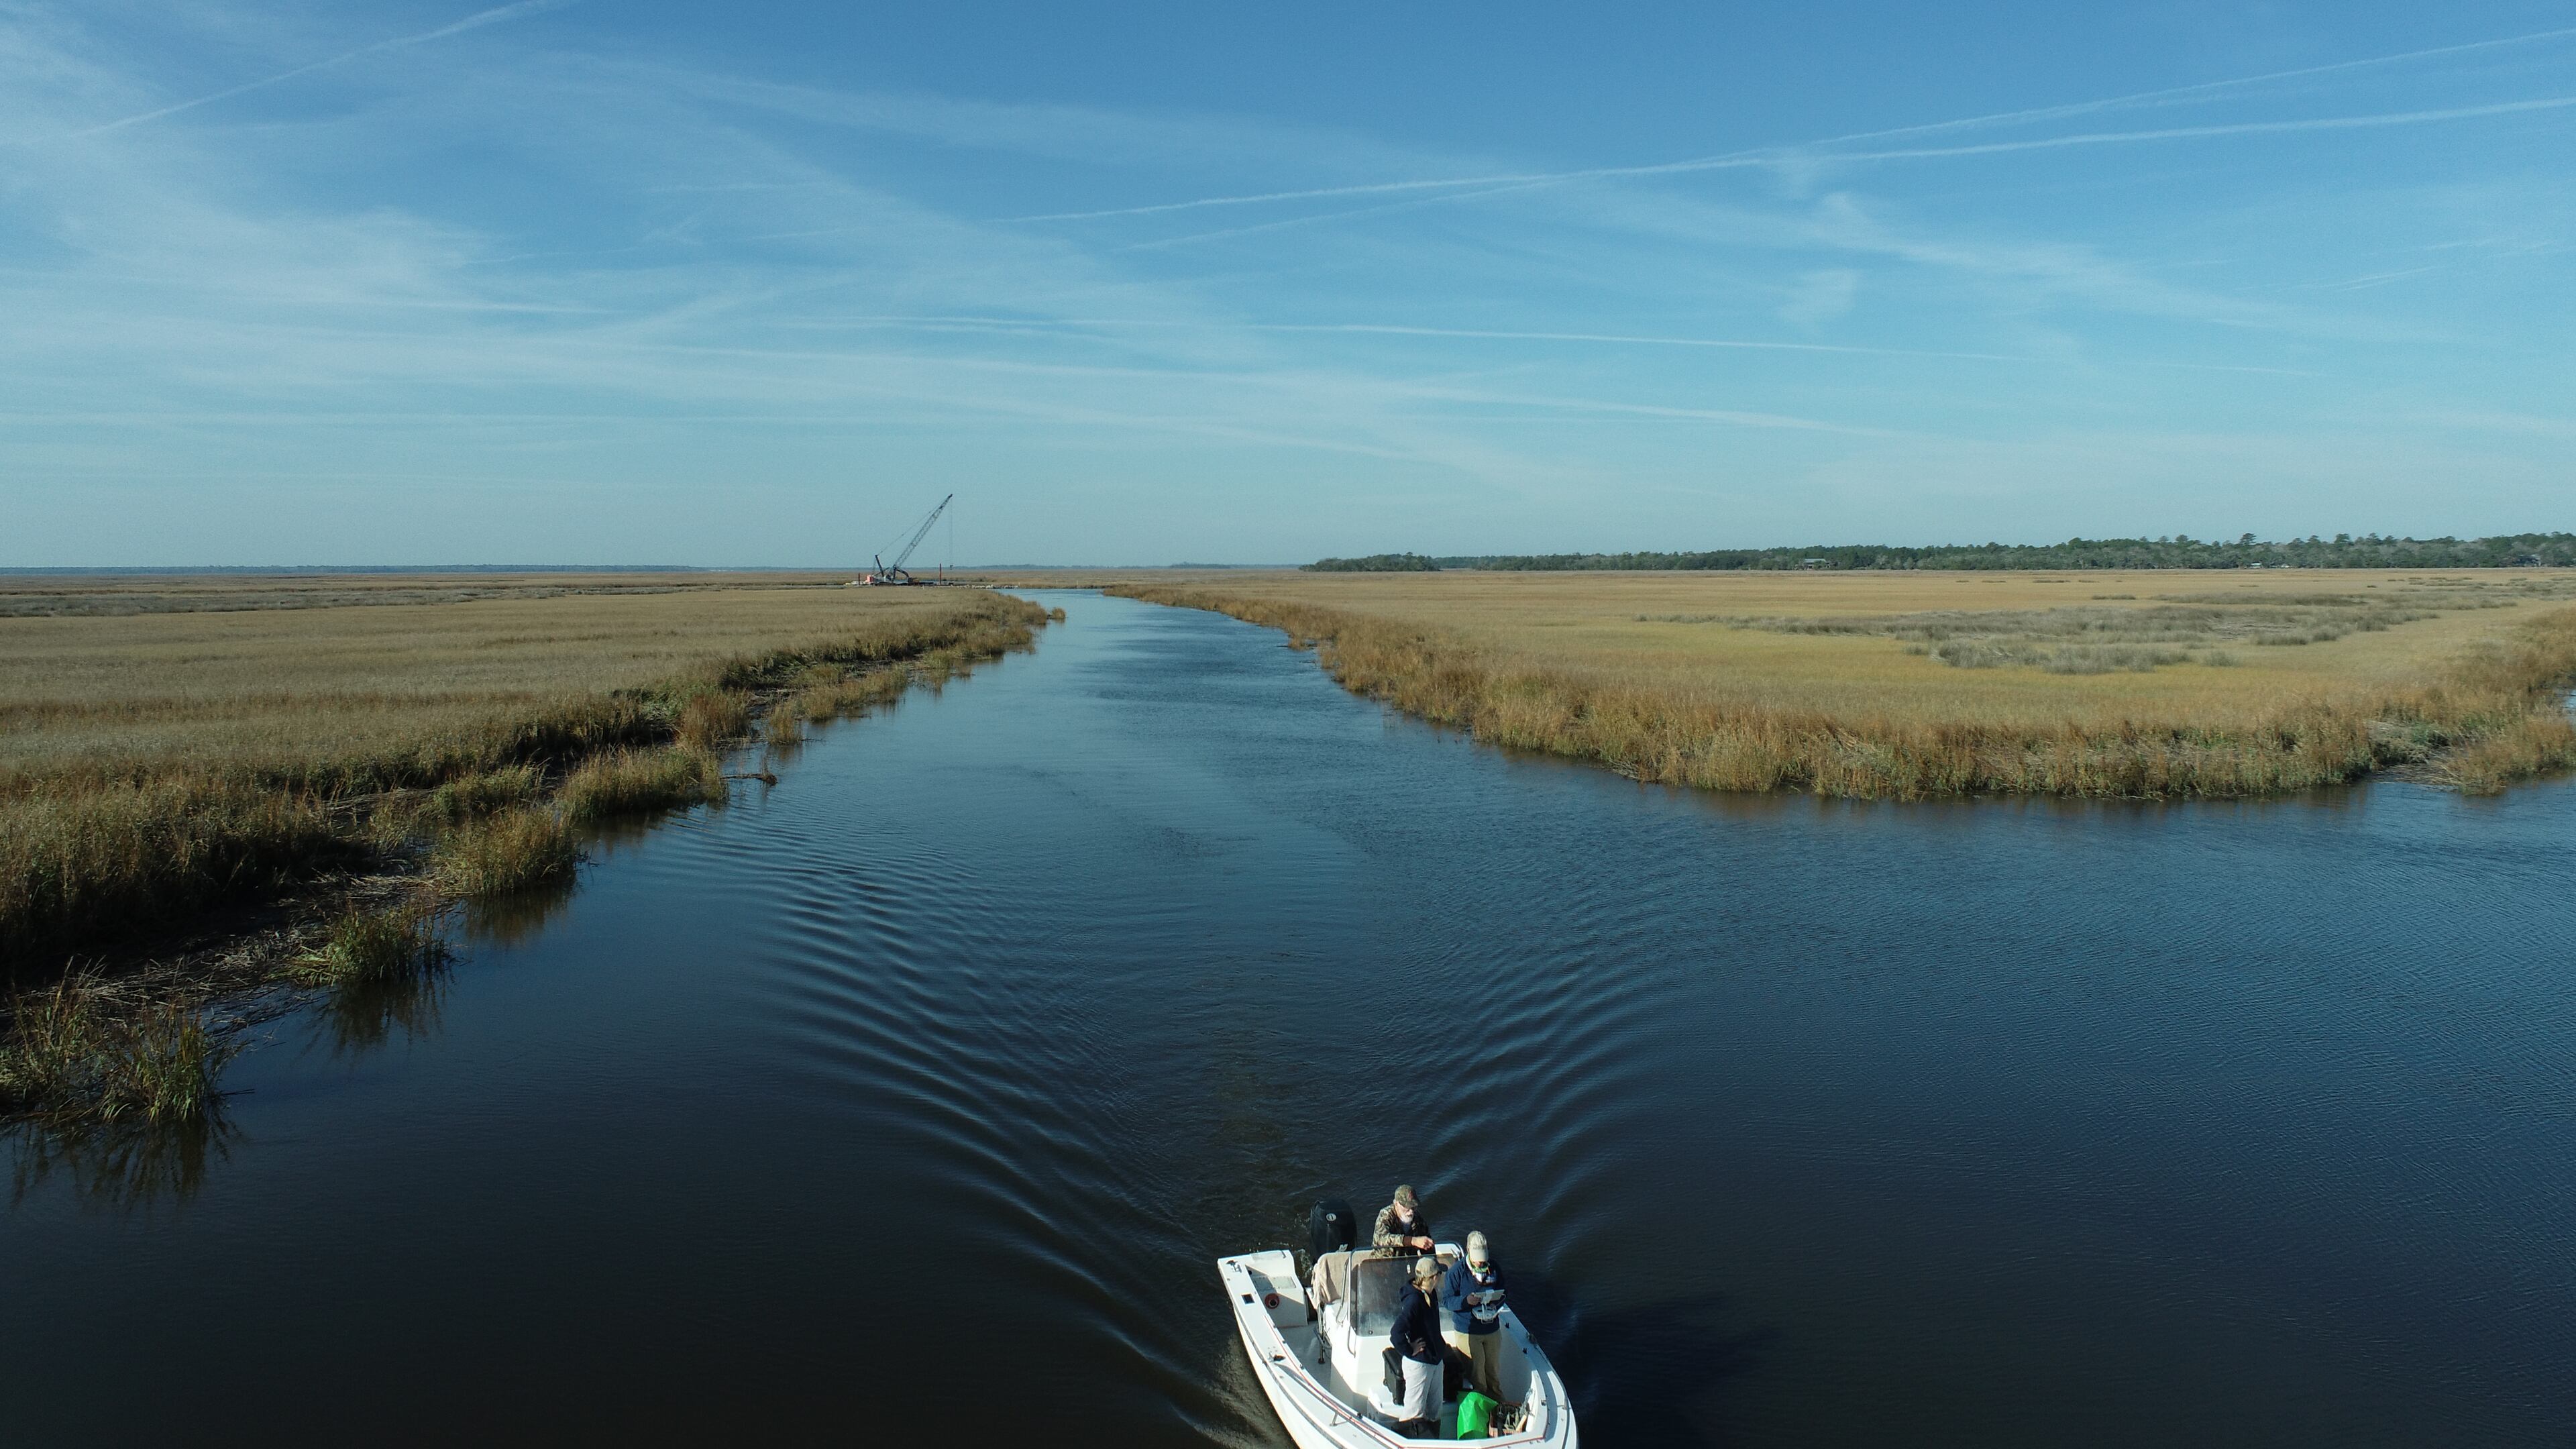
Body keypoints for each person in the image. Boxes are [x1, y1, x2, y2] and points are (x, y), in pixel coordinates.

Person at [1440, 1230, 1508, 1401]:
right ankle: (1480, 1408)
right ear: (1468, 1251)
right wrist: (1465, 1302)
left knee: (1493, 1371)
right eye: (1477, 1261)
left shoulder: (1494, 1268)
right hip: (1468, 1329)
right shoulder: (1456, 1272)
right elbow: (1447, 1301)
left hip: (1491, 1328)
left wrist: (1495, 1304)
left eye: (1483, 1260)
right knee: (1477, 1375)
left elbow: (1504, 1292)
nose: (1481, 1264)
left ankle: (1497, 1405)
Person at [1388, 1253, 1446, 1434]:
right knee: (1414, 1414)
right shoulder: (1414, 1301)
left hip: (1435, 1360)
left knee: (1434, 1411)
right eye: (1439, 1275)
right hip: (1420, 1364)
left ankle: (1433, 1441)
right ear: (1434, 1278)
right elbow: (1396, 1333)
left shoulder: (1431, 1293)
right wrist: (1409, 1349)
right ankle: (1405, 1441)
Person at [1372, 1184, 1434, 1254]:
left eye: (1413, 1207)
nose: (1411, 1211)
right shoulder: (1386, 1215)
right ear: (1396, 1204)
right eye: (1407, 1207)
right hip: (1383, 1262)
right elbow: (1381, 1238)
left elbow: (1428, 1243)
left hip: (1409, 1262)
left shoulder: (1417, 1218)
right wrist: (1413, 1241)